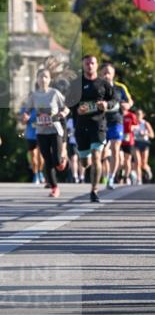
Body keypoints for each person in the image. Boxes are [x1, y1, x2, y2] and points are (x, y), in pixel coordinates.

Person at [72, 55, 117, 204]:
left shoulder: (104, 83)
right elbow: (68, 103)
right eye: (87, 63)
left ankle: (94, 190)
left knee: (97, 155)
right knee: (85, 162)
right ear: (83, 65)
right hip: (81, 125)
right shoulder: (76, 84)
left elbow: (114, 100)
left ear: (96, 65)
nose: (89, 66)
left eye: (92, 63)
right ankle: (87, 164)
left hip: (98, 125)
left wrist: (106, 105)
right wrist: (77, 109)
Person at [22, 68, 69, 198]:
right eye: (41, 77)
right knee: (48, 161)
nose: (43, 79)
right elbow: (27, 111)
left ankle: (64, 159)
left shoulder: (55, 93)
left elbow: (66, 109)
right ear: (37, 79)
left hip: (55, 130)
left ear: (49, 80)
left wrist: (63, 113)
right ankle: (54, 187)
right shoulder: (33, 95)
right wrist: (25, 116)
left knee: (57, 160)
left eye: (46, 77)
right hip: (41, 132)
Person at [99, 62, 132, 189]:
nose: (107, 75)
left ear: (113, 74)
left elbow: (130, 101)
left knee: (115, 149)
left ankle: (111, 177)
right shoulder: (97, 88)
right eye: (104, 73)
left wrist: (127, 105)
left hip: (116, 121)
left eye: (109, 73)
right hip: (100, 122)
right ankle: (104, 174)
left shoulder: (120, 88)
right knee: (100, 152)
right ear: (100, 74)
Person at [133, 109, 153, 184]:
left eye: (139, 114)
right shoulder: (133, 123)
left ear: (142, 115)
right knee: (137, 162)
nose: (138, 116)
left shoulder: (145, 123)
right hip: (136, 143)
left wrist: (145, 133)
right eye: (136, 114)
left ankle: (148, 171)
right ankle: (139, 179)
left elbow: (152, 135)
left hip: (144, 143)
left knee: (144, 163)